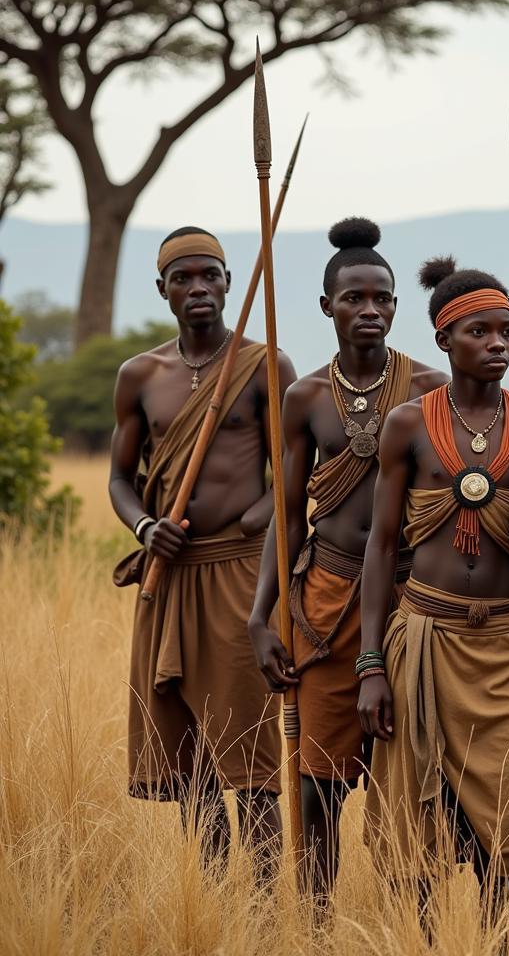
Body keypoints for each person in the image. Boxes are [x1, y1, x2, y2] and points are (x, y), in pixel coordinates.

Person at [357, 256, 509, 947]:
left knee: (506, 822)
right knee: (415, 823)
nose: (499, 344)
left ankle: (500, 945)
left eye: (507, 331)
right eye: (481, 332)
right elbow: (381, 547)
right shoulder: (407, 426)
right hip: (421, 639)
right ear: (445, 341)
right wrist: (370, 664)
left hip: (506, 646)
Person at [247, 217, 446, 903]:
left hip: (414, 596)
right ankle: (318, 921)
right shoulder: (304, 397)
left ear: (396, 306)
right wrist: (259, 617)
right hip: (325, 597)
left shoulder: (431, 387)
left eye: (382, 298)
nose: (370, 310)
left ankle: (417, 922)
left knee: (419, 774)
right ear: (327, 305)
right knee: (314, 781)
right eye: (355, 298)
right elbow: (286, 512)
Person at [109, 226, 295, 878]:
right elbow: (119, 480)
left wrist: (261, 513)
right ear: (162, 290)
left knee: (251, 756)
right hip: (167, 576)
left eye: (209, 275)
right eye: (183, 278)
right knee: (189, 759)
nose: (198, 289)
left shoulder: (264, 365)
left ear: (227, 282)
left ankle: (266, 916)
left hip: (241, 575)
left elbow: (298, 469)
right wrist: (143, 528)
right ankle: (216, 907)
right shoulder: (141, 375)